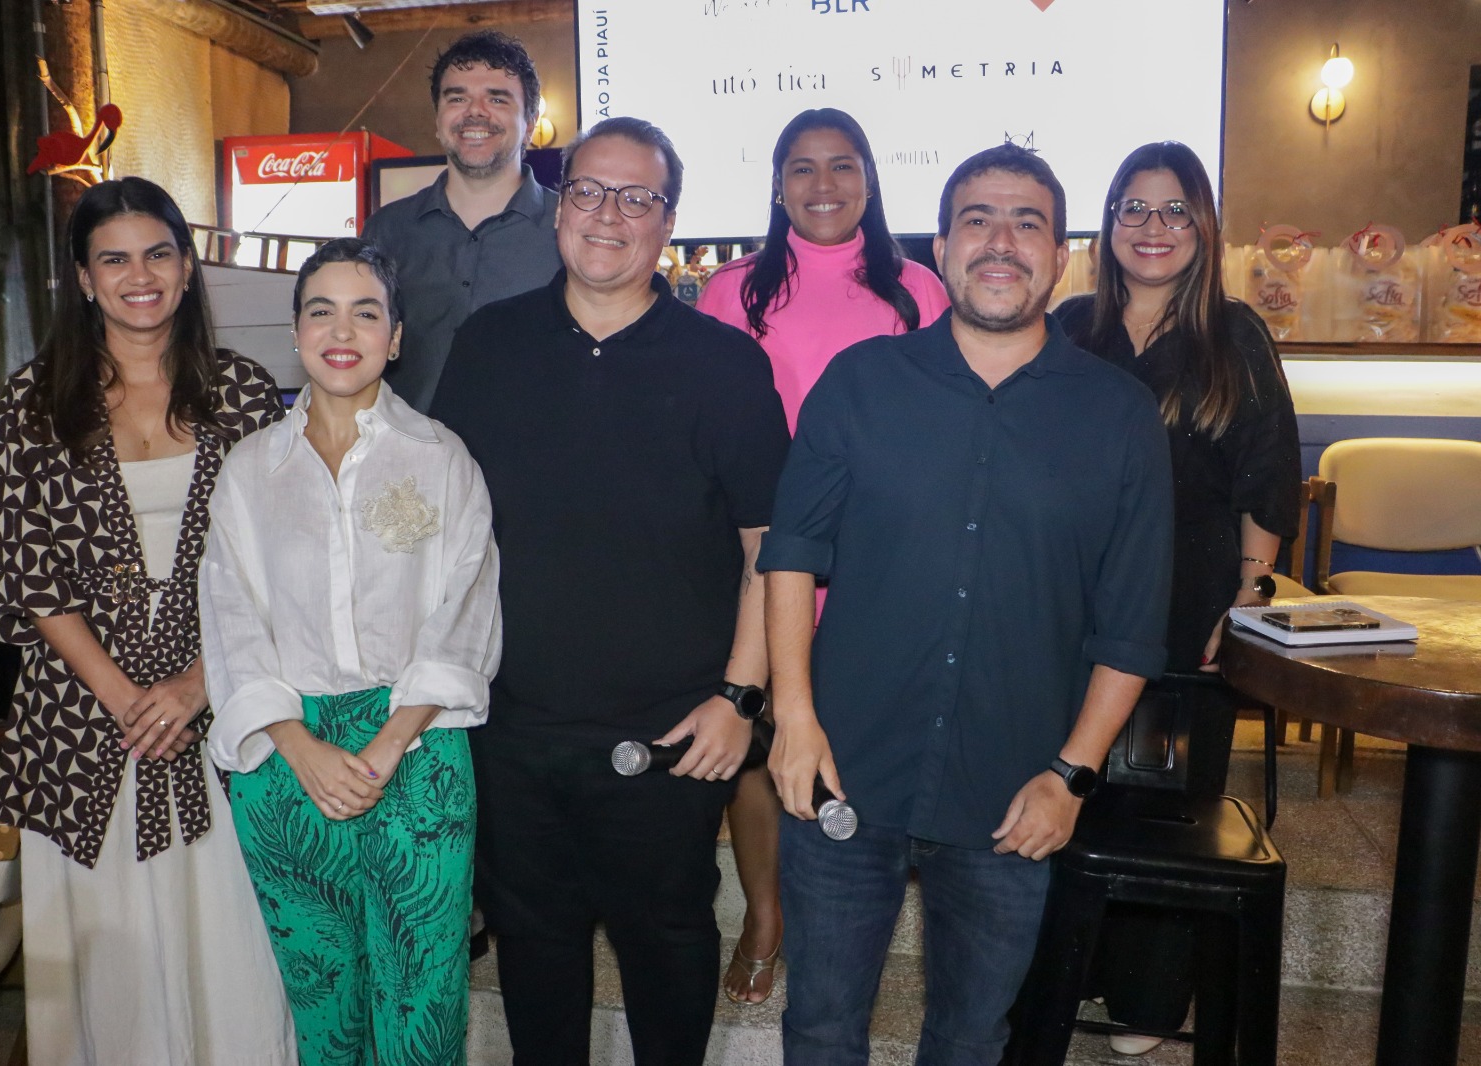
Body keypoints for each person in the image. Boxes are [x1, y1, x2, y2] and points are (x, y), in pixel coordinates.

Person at [758, 143, 1175, 1065]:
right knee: (820, 1027)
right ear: (941, 249)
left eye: (1027, 223)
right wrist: (793, 718)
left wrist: (1071, 775)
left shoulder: (1119, 416)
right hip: (844, 764)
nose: (1001, 241)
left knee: (972, 1036)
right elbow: (790, 556)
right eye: (977, 220)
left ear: (1059, 257)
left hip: (1014, 786)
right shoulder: (862, 382)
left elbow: (1132, 627)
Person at [430, 116, 789, 1064]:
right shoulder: (489, 345)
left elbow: (771, 551)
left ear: (668, 223)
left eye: (638, 198)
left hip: (672, 732)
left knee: (667, 944)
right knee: (534, 948)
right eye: (589, 190)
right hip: (512, 726)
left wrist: (740, 698)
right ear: (559, 209)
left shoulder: (725, 366)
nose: (608, 215)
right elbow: (438, 529)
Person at [0, 176, 295, 1066]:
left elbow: (289, 564)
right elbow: (22, 566)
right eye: (114, 259)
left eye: (157, 254)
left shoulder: (244, 393)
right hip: (78, 722)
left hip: (221, 713)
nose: (138, 276)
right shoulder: (35, 399)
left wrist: (196, 685)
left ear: (186, 268)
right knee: (112, 970)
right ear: (83, 277)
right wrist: (123, 697)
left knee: (233, 953)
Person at [199, 237, 501, 1066]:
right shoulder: (250, 470)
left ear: (395, 337)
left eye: (365, 312)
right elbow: (230, 618)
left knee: (422, 1001)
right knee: (323, 1004)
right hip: (283, 757)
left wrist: (388, 742)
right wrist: (299, 745)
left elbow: (466, 609)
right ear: (296, 332)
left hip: (419, 749)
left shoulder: (440, 458)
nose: (342, 331)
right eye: (320, 311)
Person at [694, 106, 948, 1005]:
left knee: (853, 736)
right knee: (757, 744)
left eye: (843, 166)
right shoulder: (731, 292)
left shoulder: (920, 289)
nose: (824, 184)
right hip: (762, 556)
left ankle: (844, 916)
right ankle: (765, 914)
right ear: (776, 186)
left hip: (882, 558)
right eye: (802, 167)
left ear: (870, 181)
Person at [1053, 140, 1301, 1057]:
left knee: (1162, 802)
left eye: (1174, 211)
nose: (1152, 227)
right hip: (1068, 594)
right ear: (1108, 223)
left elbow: (1268, 473)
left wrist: (1246, 596)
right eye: (1135, 207)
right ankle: (1060, 970)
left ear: (1202, 228)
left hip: (1186, 595)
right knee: (1067, 779)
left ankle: (1147, 1000)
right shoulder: (1069, 326)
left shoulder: (1233, 334)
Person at [361, 29, 561, 413]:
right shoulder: (386, 232)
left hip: (535, 449)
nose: (475, 112)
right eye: (457, 98)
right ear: (437, 120)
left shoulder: (569, 230)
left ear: (531, 122)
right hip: (407, 450)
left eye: (497, 98)